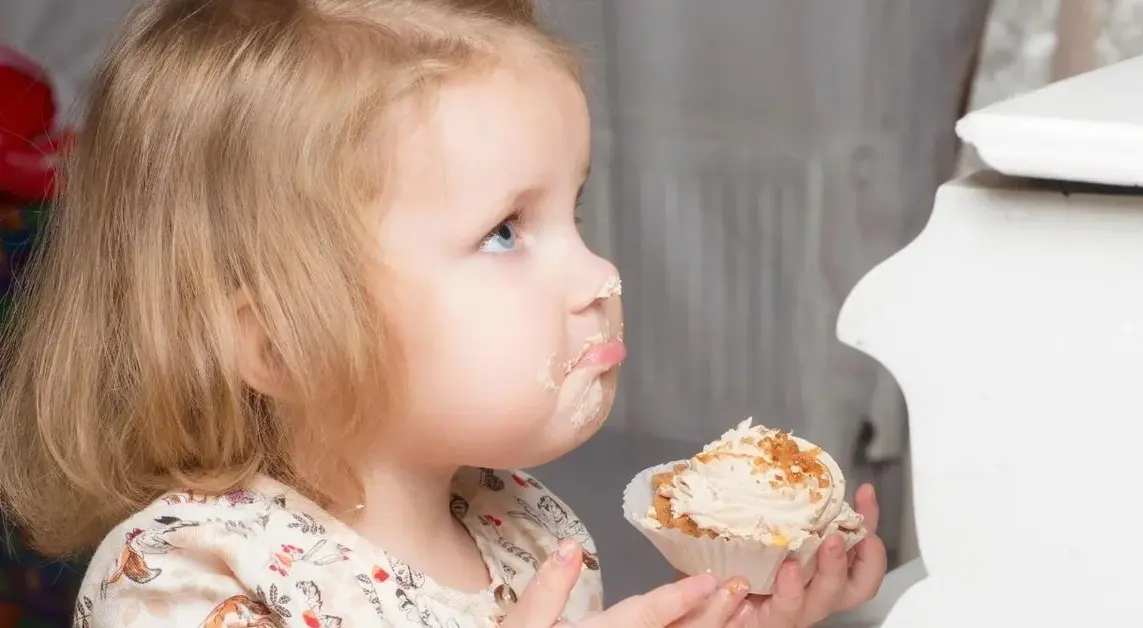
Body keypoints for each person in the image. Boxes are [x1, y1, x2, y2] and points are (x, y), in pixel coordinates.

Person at [0, 0, 887, 626]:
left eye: (572, 214)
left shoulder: (523, 525)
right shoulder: (182, 577)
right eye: (505, 232)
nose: (599, 274)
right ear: (277, 342)